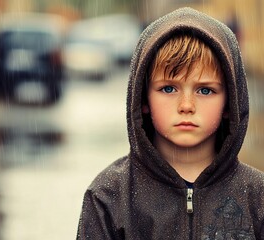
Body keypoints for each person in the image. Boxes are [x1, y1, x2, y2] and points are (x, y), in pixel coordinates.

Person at [77, 7, 264, 239]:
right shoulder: (109, 195)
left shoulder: (257, 196)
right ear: (144, 98)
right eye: (168, 88)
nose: (186, 105)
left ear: (229, 102)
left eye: (205, 90)